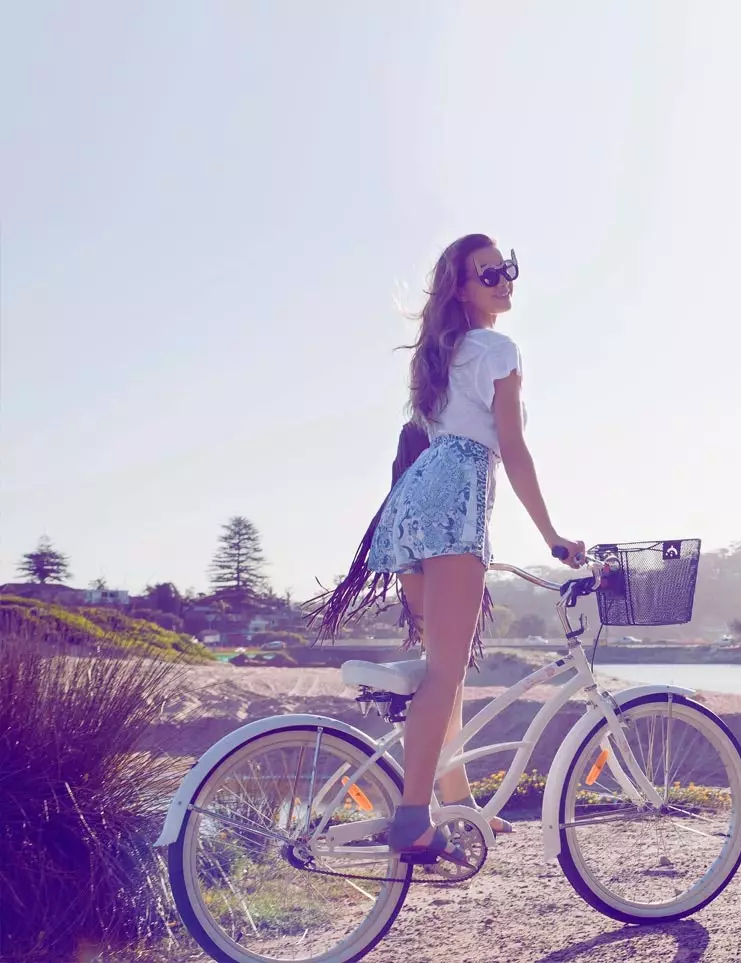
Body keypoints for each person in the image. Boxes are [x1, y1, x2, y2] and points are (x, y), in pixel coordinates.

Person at [312, 233, 584, 866]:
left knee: (444, 669)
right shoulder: (498, 348)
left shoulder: (439, 356)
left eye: (507, 269)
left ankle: (453, 801)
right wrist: (552, 535)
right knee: (446, 672)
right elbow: (511, 449)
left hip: (411, 502)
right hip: (452, 501)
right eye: (489, 274)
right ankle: (413, 818)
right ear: (462, 288)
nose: (504, 281)